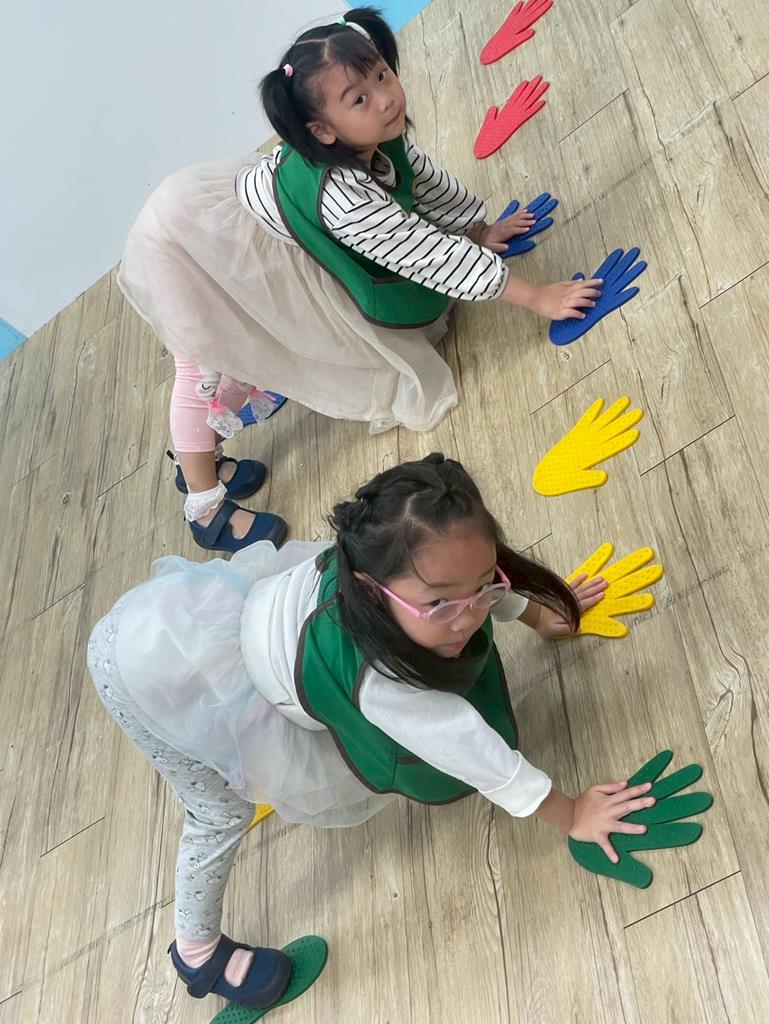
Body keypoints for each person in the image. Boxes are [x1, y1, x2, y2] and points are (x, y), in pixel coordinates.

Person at [88, 453, 654, 1011]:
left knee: (458, 594)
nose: (467, 616)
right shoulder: (377, 678)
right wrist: (571, 814)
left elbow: (475, 582)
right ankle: (196, 952)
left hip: (192, 618)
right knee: (219, 811)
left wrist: (536, 614)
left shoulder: (399, 562)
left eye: (482, 587)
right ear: (370, 588)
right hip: (151, 672)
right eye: (438, 603)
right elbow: (470, 749)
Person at [117, 7, 602, 553]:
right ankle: (203, 502)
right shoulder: (342, 200)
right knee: (204, 365)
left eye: (382, 76)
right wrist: (536, 296)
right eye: (360, 98)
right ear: (323, 131)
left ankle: (201, 457)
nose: (386, 98)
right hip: (189, 248)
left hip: (234, 221)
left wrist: (477, 228)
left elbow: (421, 182)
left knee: (226, 359)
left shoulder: (372, 134)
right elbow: (427, 255)